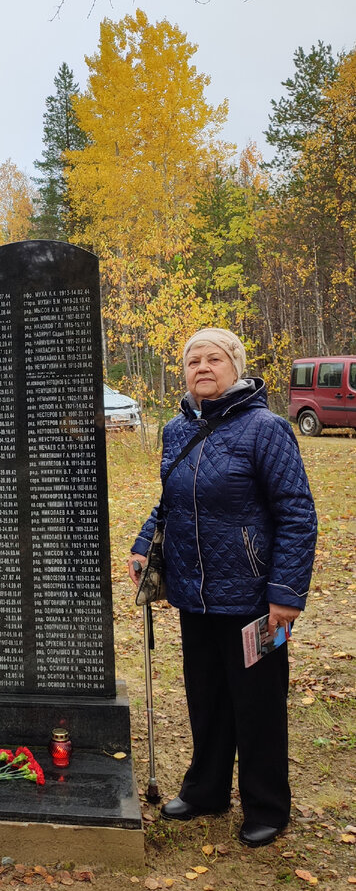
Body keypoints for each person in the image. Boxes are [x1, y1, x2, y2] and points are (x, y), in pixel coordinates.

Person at [127, 328, 317, 848]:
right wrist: (145, 543)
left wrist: (285, 592)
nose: (202, 367)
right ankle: (206, 789)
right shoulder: (174, 430)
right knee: (206, 696)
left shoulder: (267, 429)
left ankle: (267, 805)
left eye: (214, 358)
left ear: (236, 367)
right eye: (193, 360)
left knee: (257, 703)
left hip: (254, 598)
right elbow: (169, 502)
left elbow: (297, 513)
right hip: (194, 593)